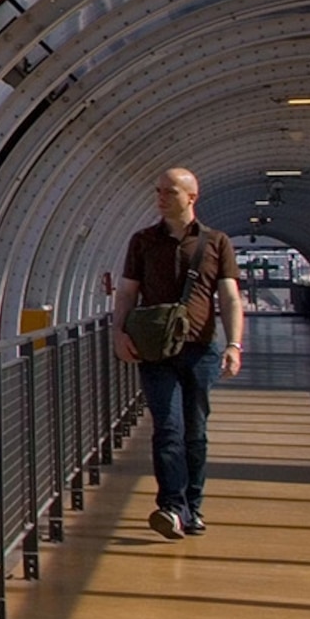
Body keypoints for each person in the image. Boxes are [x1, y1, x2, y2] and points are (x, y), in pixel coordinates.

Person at [111, 168, 243, 539]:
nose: (161, 198)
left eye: (170, 192)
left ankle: (193, 507)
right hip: (155, 350)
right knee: (167, 429)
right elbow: (126, 292)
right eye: (158, 191)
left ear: (191, 197)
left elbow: (229, 297)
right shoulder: (142, 241)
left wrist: (234, 344)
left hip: (201, 349)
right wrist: (118, 333)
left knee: (195, 433)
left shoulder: (216, 242)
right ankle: (172, 507)